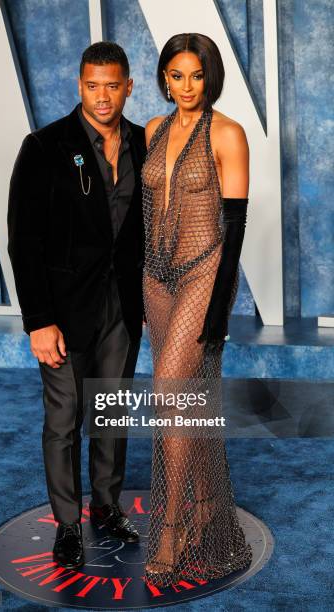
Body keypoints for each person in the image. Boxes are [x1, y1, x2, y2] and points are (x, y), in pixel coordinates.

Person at [7, 42, 146, 570]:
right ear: (79, 84)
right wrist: (38, 321)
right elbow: (25, 241)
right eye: (93, 85)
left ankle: (106, 508)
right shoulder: (44, 146)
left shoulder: (142, 143)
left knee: (111, 413)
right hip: (63, 312)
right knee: (64, 418)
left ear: (128, 86)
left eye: (112, 85)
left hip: (122, 307)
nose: (103, 96)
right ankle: (68, 523)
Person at [142, 33, 253, 585]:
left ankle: (171, 526)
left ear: (211, 77)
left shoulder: (228, 133)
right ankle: (208, 509)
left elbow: (235, 229)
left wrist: (218, 311)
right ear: (165, 77)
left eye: (197, 76)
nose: (186, 86)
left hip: (204, 272)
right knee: (188, 399)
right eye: (176, 75)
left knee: (168, 394)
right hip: (155, 277)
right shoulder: (152, 131)